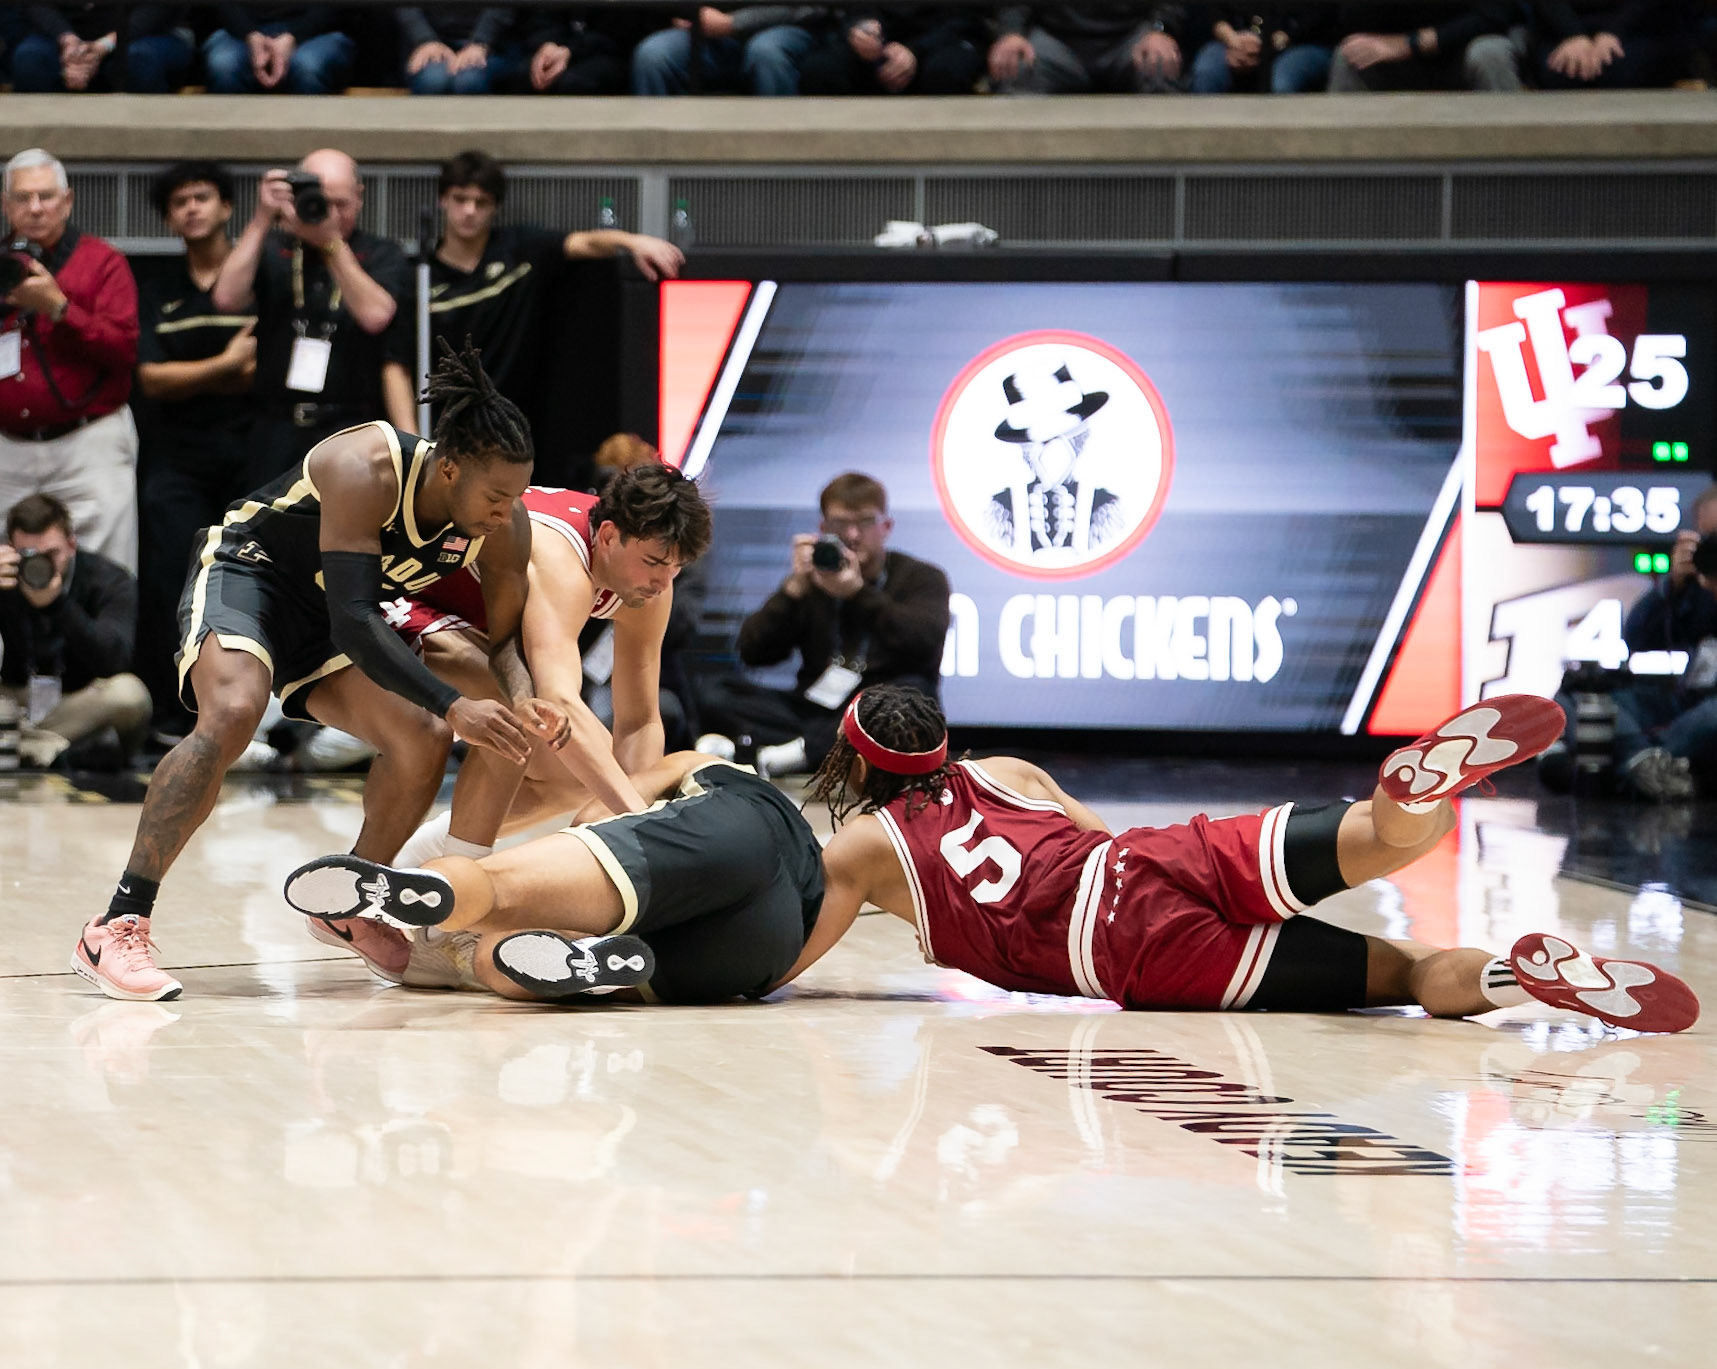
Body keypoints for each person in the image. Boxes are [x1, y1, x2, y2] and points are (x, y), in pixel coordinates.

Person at [70, 343, 568, 1003]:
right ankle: (116, 923)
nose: (507, 512)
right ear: (449, 469)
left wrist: (529, 698)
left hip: (327, 617)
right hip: (250, 574)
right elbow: (357, 620)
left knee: (421, 738)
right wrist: (455, 703)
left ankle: (348, 900)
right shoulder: (366, 463)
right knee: (233, 713)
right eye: (497, 495)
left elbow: (504, 642)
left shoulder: (505, 526)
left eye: (517, 495)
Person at [794, 686, 1697, 1031]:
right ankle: (1415, 793)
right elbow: (1097, 838)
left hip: (1133, 952)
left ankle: (1511, 977)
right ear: (944, 746)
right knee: (1378, 840)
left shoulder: (862, 848)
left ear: (849, 758)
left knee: (1409, 976)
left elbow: (782, 963)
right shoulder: (1009, 769)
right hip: (1156, 862)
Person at [282, 750, 823, 1004]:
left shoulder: (709, 767)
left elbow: (597, 817)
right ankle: (592, 962)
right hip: (764, 950)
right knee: (498, 955)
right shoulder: (830, 851)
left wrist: (630, 854)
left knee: (498, 892)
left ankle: (426, 892)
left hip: (727, 838)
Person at [388, 461, 712, 867]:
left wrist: (639, 807)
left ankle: (422, 855)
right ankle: (451, 876)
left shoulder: (650, 585)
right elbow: (559, 702)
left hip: (478, 627)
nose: (665, 582)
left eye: (677, 566)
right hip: (407, 594)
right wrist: (645, 825)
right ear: (610, 536)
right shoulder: (562, 558)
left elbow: (641, 721)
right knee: (515, 706)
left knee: (583, 776)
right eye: (653, 563)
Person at [697, 471, 950, 779]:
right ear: (823, 528)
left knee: (910, 700)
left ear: (886, 526)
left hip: (876, 709)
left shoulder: (921, 577)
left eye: (866, 522)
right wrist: (792, 592)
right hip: (814, 710)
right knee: (716, 692)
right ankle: (805, 751)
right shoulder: (815, 580)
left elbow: (923, 642)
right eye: (841, 524)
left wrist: (858, 594)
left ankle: (778, 754)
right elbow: (753, 652)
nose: (853, 535)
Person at [133, 160, 257, 740]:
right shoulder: (156, 289)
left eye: (202, 197)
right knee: (169, 579)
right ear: (168, 218)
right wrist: (224, 366)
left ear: (227, 207)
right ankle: (170, 711)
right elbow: (152, 380)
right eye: (179, 202)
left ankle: (248, 712)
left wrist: (198, 374)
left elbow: (261, 373)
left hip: (249, 449)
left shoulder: (262, 279)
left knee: (250, 581)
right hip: (175, 455)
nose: (191, 208)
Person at [428, 150, 682, 429]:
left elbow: (583, 243)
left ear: (496, 207)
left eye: (481, 202)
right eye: (460, 199)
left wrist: (634, 242)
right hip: (448, 423)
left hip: (517, 421)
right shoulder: (422, 275)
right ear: (443, 200)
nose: (469, 211)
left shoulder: (521, 248)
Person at [212, 149, 413, 491]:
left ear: (359, 198)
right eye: (322, 202)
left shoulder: (382, 254)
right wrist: (262, 218)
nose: (330, 214)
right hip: (275, 427)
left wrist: (330, 243)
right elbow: (226, 299)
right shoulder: (274, 246)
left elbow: (376, 316)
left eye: (342, 204)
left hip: (351, 426)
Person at [0, 148, 140, 573]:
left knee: (103, 573)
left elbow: (125, 351)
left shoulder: (103, 263)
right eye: (23, 198)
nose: (35, 208)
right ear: (7, 206)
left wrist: (60, 308)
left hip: (87, 443)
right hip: (8, 447)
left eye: (46, 196)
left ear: (68, 201)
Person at [0, 493, 149, 769]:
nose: (40, 565)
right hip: (13, 703)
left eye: (51, 554)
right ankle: (51, 750)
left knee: (130, 696)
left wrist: (58, 605)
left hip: (76, 705)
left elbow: (115, 659)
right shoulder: (4, 577)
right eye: (29, 556)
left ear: (71, 544)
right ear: (11, 549)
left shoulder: (108, 579)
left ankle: (31, 747)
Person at [987, 4, 1191, 95]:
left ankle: (1155, 180)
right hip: (1058, 40)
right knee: (1017, 68)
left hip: (1130, 37)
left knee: (1159, 63)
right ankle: (1024, 182)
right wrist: (1012, 32)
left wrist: (1159, 28)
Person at [1326, 3, 1523, 91]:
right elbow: (1350, 20)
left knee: (1490, 53)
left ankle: (1513, 167)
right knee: (1349, 55)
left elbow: (1495, 15)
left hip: (1460, 52)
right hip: (1396, 62)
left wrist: (1410, 44)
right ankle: (1342, 172)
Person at [631, 6, 822, 95]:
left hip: (782, 26)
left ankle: (781, 164)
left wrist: (735, 23)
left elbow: (808, 9)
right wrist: (681, 14)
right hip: (706, 30)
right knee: (653, 55)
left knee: (766, 52)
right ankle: (660, 160)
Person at [9, 4, 193, 93]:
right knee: (30, 59)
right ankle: (37, 162)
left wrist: (102, 46)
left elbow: (159, 9)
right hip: (61, 33)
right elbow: (36, 5)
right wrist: (68, 41)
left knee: (138, 61)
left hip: (143, 34)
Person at [798, 7, 984, 94]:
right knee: (819, 70)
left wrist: (915, 50)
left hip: (941, 39)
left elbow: (966, 19)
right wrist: (860, 28)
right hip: (879, 37)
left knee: (945, 72)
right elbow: (852, 12)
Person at [1529, 1, 1682, 90]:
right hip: (1565, 32)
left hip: (1637, 29)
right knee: (1561, 72)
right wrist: (1574, 34)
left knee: (1620, 72)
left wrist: (1614, 31)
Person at [203, 5, 354, 95]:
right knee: (224, 64)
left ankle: (310, 145)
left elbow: (333, 7)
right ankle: (233, 146)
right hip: (239, 31)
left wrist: (294, 36)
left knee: (308, 67)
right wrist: (250, 34)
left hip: (316, 32)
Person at [1188, 7, 1337, 93]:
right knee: (1207, 72)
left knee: (1282, 81)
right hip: (1234, 39)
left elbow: (1322, 12)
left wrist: (1270, 43)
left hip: (1301, 41)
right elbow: (1210, 9)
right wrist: (1233, 40)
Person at [397, 6, 521, 95]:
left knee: (469, 81)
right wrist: (425, 39)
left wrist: (480, 41)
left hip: (493, 44)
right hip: (430, 41)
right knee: (433, 81)